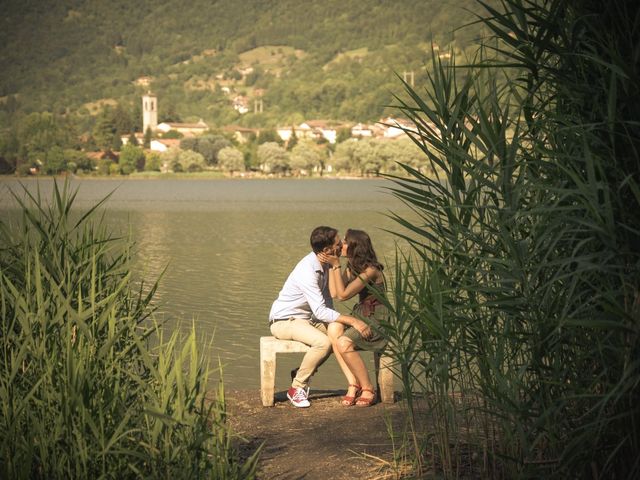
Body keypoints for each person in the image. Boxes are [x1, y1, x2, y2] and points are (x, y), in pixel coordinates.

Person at [269, 226, 373, 408]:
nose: (342, 246)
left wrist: (339, 323)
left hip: (306, 320)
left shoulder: (326, 266)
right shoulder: (307, 270)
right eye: (338, 243)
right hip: (285, 320)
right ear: (327, 250)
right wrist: (354, 320)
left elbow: (328, 303)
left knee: (337, 331)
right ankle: (297, 387)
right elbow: (320, 311)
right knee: (322, 343)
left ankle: (348, 382)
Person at [318, 228, 388, 407]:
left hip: (377, 319)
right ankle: (353, 384)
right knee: (335, 330)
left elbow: (343, 295)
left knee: (343, 342)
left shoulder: (371, 270)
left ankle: (368, 388)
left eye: (346, 242)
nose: (341, 245)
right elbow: (334, 292)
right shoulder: (352, 268)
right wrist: (335, 265)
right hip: (362, 315)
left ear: (356, 247)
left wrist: (336, 264)